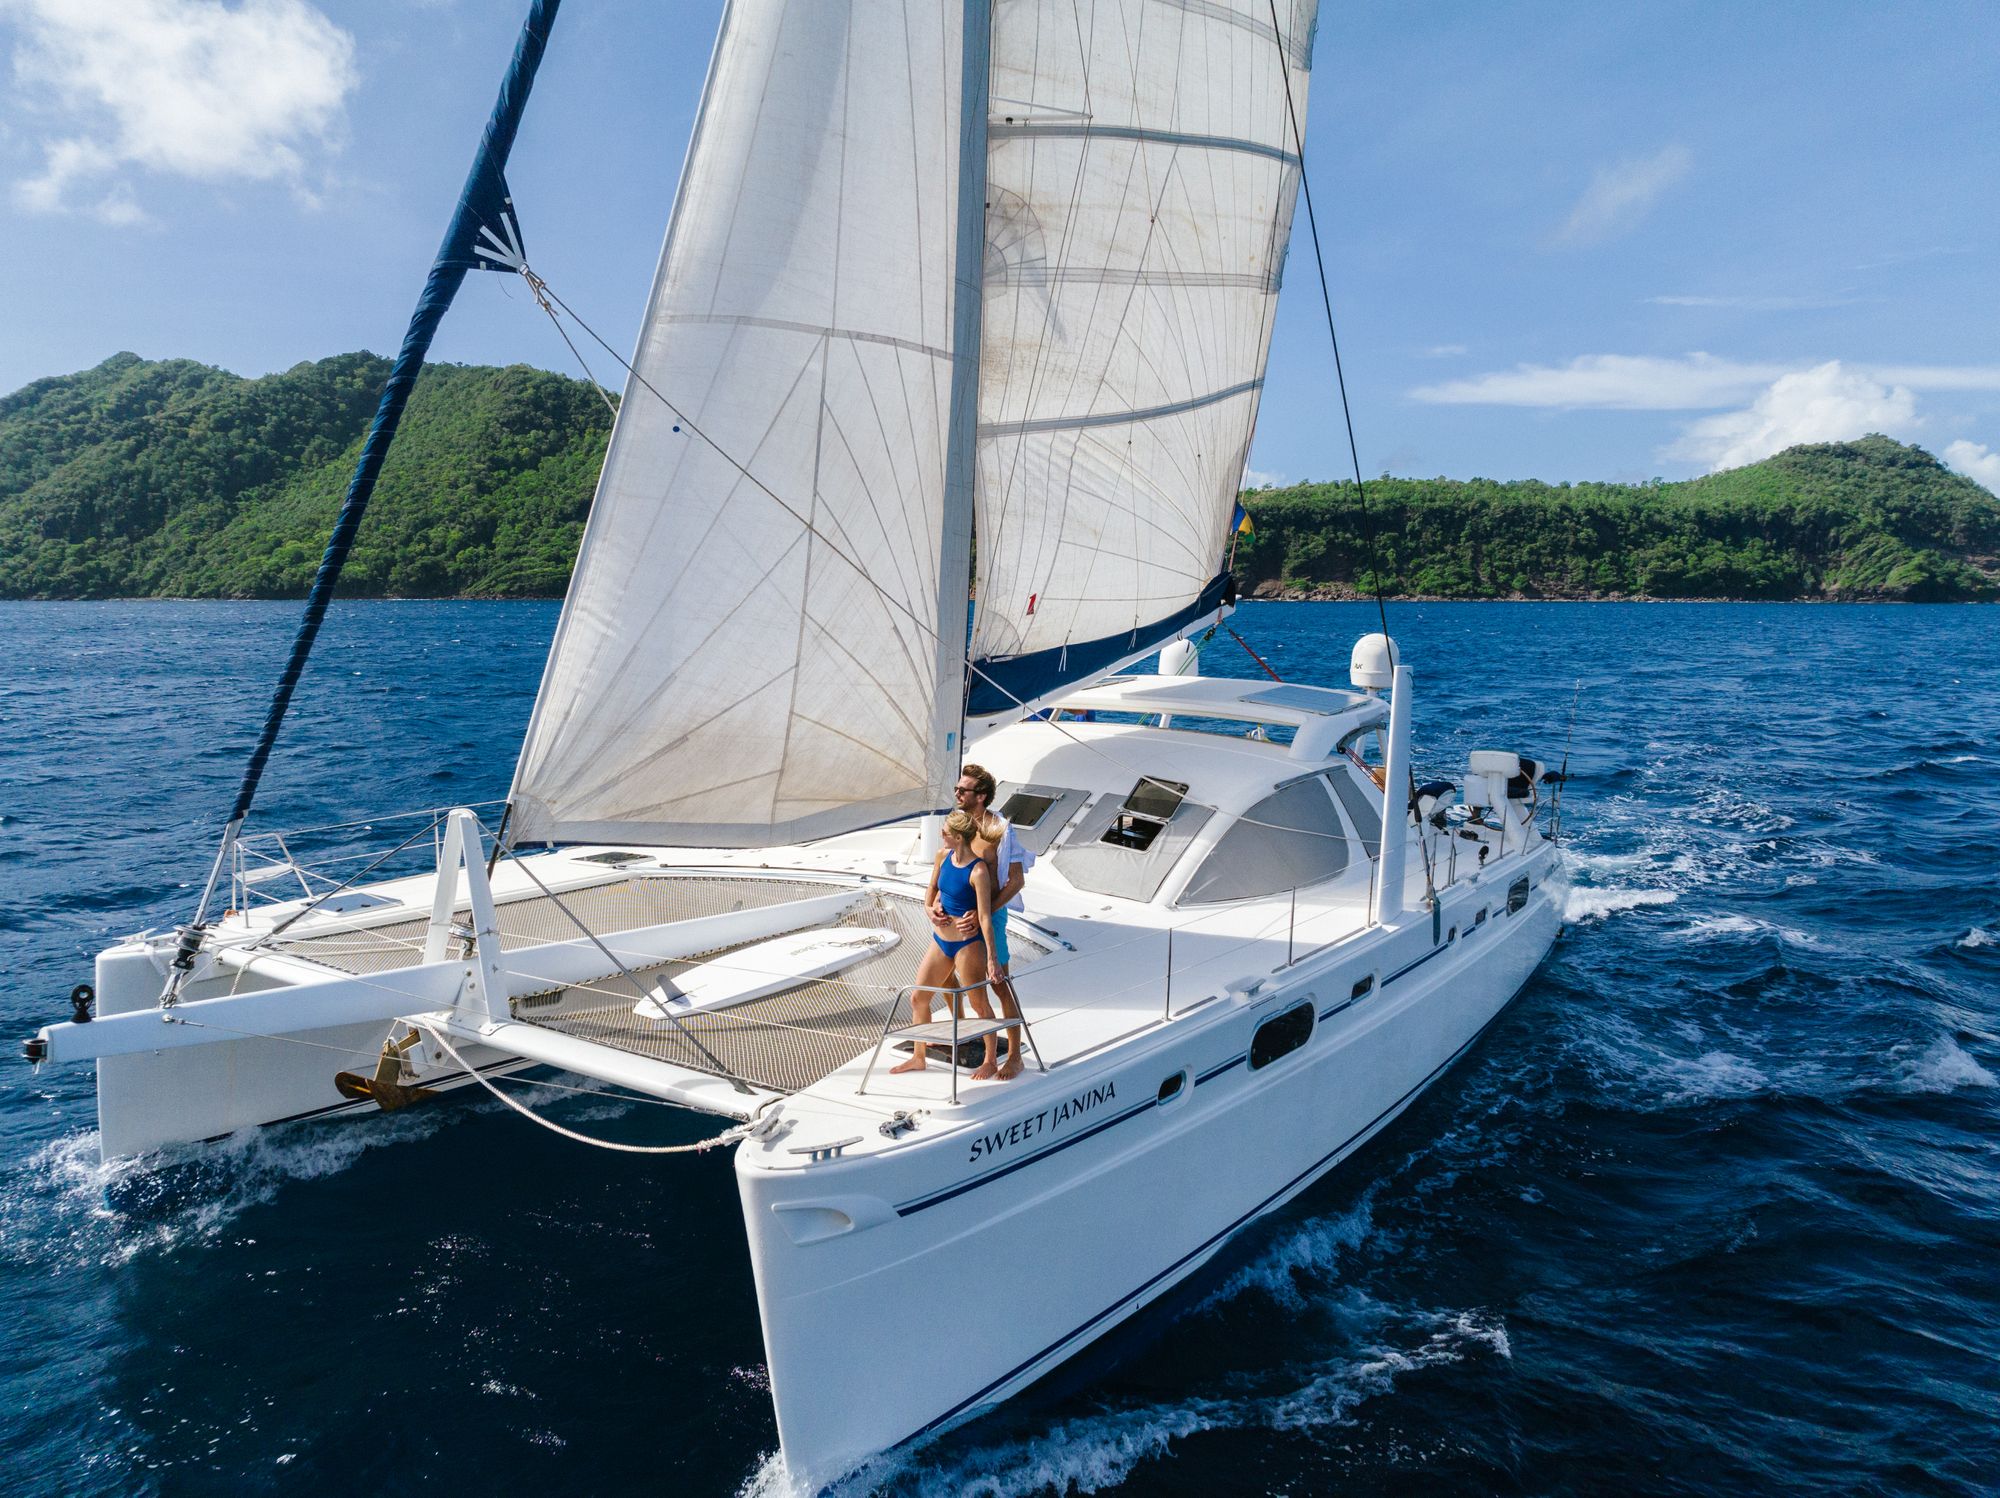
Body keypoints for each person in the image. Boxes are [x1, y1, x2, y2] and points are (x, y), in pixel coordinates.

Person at [932, 762, 1033, 1080]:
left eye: (963, 790)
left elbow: (1016, 882)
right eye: (957, 789)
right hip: (954, 915)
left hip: (989, 914)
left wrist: (983, 910)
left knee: (999, 983)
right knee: (948, 977)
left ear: (982, 795)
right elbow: (948, 868)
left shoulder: (1002, 829)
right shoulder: (958, 823)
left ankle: (1014, 1055)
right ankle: (962, 1034)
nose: (957, 793)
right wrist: (935, 902)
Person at [890, 809, 999, 1076]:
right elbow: (932, 890)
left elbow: (985, 917)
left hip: (967, 944)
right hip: (940, 941)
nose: (941, 835)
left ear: (959, 838)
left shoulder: (979, 871)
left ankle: (990, 1060)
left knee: (979, 1005)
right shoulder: (942, 856)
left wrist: (992, 959)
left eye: (946, 833)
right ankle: (919, 1057)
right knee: (918, 998)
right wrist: (929, 909)